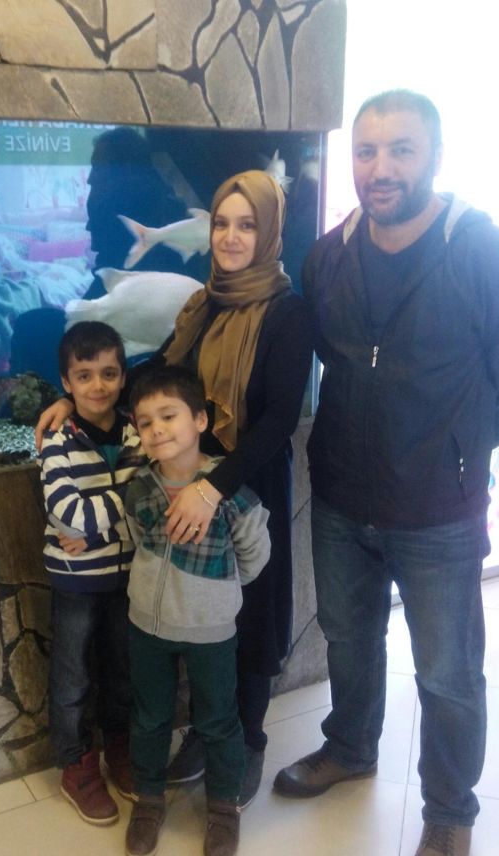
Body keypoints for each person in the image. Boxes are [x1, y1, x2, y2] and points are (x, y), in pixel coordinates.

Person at [274, 90, 499, 856]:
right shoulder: (329, 256)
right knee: (348, 637)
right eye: (366, 151)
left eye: (400, 150)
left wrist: (460, 450)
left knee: (446, 673)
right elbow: (326, 359)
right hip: (342, 497)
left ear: (434, 154)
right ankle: (350, 747)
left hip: (440, 509)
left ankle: (450, 810)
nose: (380, 168)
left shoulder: (482, 250)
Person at [36, 169, 314, 808]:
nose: (231, 237)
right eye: (222, 223)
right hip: (182, 481)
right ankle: (210, 733)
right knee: (200, 615)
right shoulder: (201, 305)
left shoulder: (289, 313)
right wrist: (76, 399)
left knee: (252, 614)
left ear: (271, 231)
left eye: (247, 225)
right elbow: (152, 376)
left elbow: (279, 418)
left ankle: (247, 741)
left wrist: (215, 489)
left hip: (246, 484)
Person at [124, 365, 270, 856]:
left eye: (169, 416)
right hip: (147, 626)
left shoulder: (228, 491)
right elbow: (135, 539)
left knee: (218, 719)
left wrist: (220, 593)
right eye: (146, 422)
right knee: (149, 716)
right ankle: (148, 799)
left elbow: (255, 554)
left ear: (200, 420)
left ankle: (224, 808)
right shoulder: (140, 486)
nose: (157, 429)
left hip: (211, 630)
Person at [38, 320, 146, 826]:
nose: (97, 385)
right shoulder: (56, 439)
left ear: (123, 376)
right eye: (84, 376)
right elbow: (69, 516)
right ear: (66, 382)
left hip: (128, 577)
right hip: (75, 579)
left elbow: (150, 498)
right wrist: (124, 503)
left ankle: (119, 747)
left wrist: (99, 528)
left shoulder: (137, 432)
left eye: (108, 373)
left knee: (123, 669)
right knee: (73, 674)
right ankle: (76, 763)